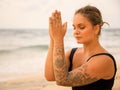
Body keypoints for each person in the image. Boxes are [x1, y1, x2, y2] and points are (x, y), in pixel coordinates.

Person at [44, 5, 117, 90]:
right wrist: (53, 37)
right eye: (74, 28)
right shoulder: (72, 53)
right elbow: (50, 76)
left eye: (81, 27)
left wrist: (58, 39)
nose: (75, 32)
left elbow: (62, 80)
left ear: (96, 29)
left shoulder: (104, 60)